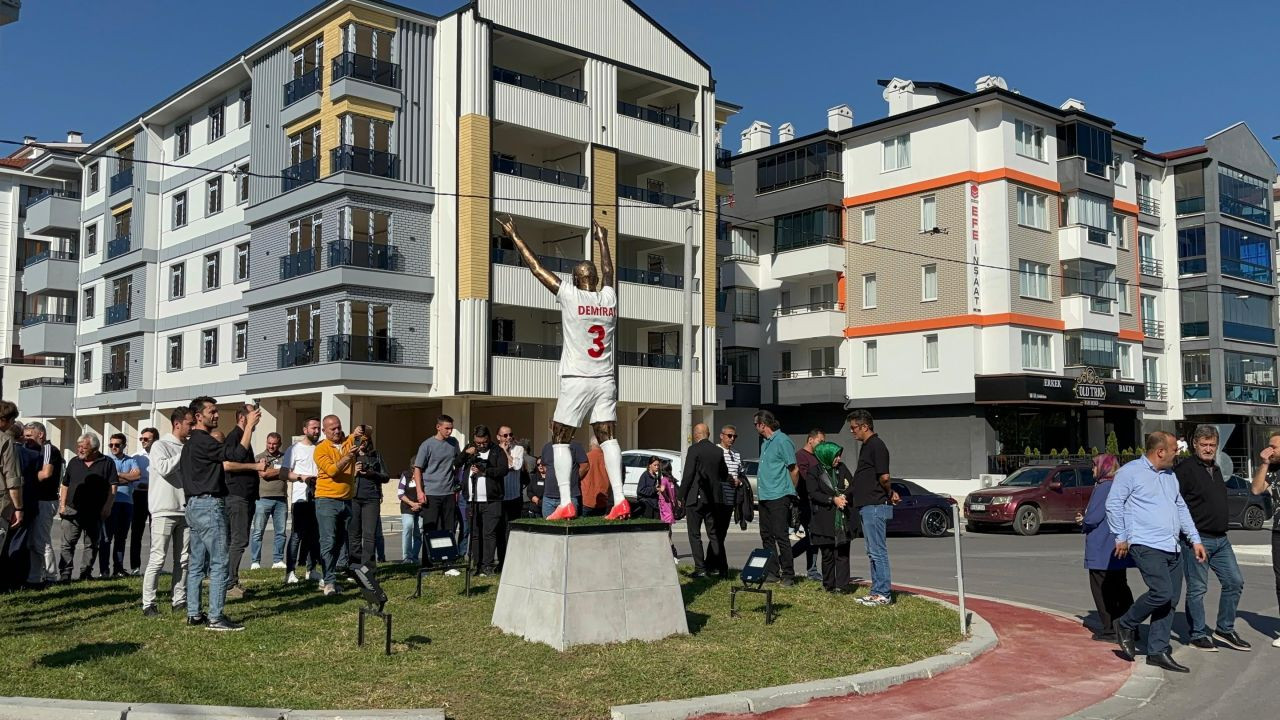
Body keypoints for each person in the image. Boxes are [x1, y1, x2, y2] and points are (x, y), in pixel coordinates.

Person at [497, 216, 629, 521]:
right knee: (607, 436)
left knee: (560, 437)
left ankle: (567, 501)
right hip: (606, 379)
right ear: (594, 280)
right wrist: (603, 240)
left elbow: (537, 270)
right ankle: (620, 499)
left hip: (578, 378)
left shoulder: (570, 295)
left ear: (573, 278)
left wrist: (515, 236)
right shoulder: (608, 298)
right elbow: (609, 271)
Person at [1107, 431, 1206, 672]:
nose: (1178, 452)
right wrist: (1120, 536)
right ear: (1160, 451)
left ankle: (1157, 651)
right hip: (1145, 544)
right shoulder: (1130, 472)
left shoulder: (1170, 475)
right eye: (1174, 448)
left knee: (1170, 600)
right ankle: (1126, 623)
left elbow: (1180, 507)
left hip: (1172, 545)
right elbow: (1113, 503)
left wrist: (1195, 539)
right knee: (1161, 592)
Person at [181, 396, 255, 631]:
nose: (216, 415)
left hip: (194, 505)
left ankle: (194, 613)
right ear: (198, 416)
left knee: (196, 564)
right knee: (219, 561)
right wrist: (249, 426)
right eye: (212, 411)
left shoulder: (193, 442)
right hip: (208, 506)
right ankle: (215, 617)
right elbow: (236, 455)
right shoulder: (203, 441)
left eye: (216, 411)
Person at [1174, 425, 1249, 652]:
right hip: (1197, 540)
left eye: (1212, 445)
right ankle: (1197, 633)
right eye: (1204, 444)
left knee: (1235, 582)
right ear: (1195, 444)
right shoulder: (1185, 469)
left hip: (1221, 539)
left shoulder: (1215, 469)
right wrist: (1189, 536)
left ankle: (1224, 629)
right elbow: (1176, 504)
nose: (1208, 449)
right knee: (1197, 589)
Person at [142, 407, 193, 617]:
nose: (192, 428)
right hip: (163, 509)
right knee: (158, 558)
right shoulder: (160, 445)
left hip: (185, 509)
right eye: (189, 423)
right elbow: (163, 468)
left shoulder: (189, 447)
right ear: (177, 423)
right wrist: (184, 454)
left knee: (183, 559)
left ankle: (179, 600)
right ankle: (148, 603)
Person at [1078, 454, 1134, 642]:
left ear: (1104, 468)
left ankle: (1110, 629)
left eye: (1095, 466)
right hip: (1118, 544)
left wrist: (1083, 522)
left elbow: (1094, 517)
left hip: (1102, 545)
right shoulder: (1120, 485)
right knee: (1120, 586)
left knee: (1103, 589)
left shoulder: (1104, 487)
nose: (1093, 470)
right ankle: (1130, 627)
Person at [848, 409, 896, 606]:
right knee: (872, 551)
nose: (852, 432)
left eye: (854, 428)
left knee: (878, 551)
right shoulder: (867, 446)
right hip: (868, 505)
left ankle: (883, 593)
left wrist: (889, 491)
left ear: (865, 426)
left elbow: (884, 476)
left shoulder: (877, 445)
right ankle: (876, 590)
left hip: (875, 505)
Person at [312, 416, 364, 594]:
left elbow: (367, 433)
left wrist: (359, 430)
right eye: (332, 429)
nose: (336, 431)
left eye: (338, 427)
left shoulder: (348, 441)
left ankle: (330, 575)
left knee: (340, 542)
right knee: (328, 541)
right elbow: (333, 470)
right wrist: (349, 456)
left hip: (346, 500)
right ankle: (329, 582)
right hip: (326, 500)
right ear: (324, 431)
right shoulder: (321, 449)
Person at [58, 434, 115, 581]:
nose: (80, 450)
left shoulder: (107, 463)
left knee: (91, 544)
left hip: (95, 511)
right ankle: (65, 574)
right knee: (67, 544)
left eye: (84, 447)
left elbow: (112, 487)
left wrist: (107, 507)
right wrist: (62, 505)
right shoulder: (74, 462)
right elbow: (65, 484)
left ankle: (85, 573)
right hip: (72, 510)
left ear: (95, 449)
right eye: (79, 447)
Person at [455, 425, 508, 576]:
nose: (481, 445)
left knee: (489, 533)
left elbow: (503, 470)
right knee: (475, 533)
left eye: (484, 442)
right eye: (478, 443)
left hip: (492, 500)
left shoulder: (497, 451)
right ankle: (476, 564)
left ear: (489, 439)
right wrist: (466, 453)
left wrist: (485, 471)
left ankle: (487, 566)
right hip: (472, 500)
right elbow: (457, 463)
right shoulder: (470, 448)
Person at [754, 410, 799, 586]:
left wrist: (791, 492)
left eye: (755, 424)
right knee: (766, 535)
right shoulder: (765, 443)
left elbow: (793, 469)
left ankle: (788, 574)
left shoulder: (783, 440)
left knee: (781, 535)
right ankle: (772, 571)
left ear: (762, 424)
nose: (755, 428)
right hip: (765, 496)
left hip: (779, 495)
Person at [679, 422, 729, 578]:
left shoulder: (694, 450)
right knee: (714, 534)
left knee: (695, 534)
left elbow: (688, 475)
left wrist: (681, 495)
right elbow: (724, 474)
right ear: (708, 434)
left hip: (696, 498)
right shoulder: (717, 451)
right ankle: (721, 568)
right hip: (713, 499)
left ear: (696, 434)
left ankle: (701, 569)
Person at [222, 406, 261, 598]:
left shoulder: (243, 437)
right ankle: (230, 584)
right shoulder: (234, 436)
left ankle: (230, 581)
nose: (257, 419)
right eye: (253, 416)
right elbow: (228, 463)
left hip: (246, 495)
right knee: (238, 540)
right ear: (242, 418)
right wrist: (255, 466)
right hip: (236, 496)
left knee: (237, 540)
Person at [806, 441, 854, 593]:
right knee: (827, 554)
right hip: (824, 519)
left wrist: (845, 496)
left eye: (839, 455)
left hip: (842, 519)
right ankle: (829, 585)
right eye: (835, 456)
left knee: (842, 553)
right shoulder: (814, 472)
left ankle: (843, 586)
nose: (838, 459)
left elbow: (852, 485)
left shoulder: (842, 468)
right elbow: (813, 493)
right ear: (825, 456)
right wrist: (832, 499)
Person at [414, 415, 461, 562]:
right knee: (430, 529)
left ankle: (449, 561)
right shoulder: (427, 445)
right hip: (431, 493)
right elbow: (417, 469)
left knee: (449, 529)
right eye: (446, 428)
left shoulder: (453, 443)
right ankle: (427, 563)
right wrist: (420, 492)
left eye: (451, 428)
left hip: (448, 492)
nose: (449, 431)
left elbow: (458, 462)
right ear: (438, 427)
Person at [1249, 430, 1280, 649]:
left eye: (1274, 447)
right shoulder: (1273, 469)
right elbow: (1256, 488)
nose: (1270, 450)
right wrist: (1265, 463)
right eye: (1269, 445)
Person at [283, 418, 322, 585]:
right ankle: (290, 571)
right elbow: (284, 473)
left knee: (315, 536)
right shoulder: (294, 449)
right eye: (313, 428)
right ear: (305, 429)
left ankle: (311, 569)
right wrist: (302, 477)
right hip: (300, 498)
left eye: (319, 428)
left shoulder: (321, 449)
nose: (316, 431)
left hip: (319, 497)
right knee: (297, 535)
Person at [24, 422, 62, 586]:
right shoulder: (34, 449)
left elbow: (46, 473)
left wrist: (24, 480)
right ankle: (34, 578)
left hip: (45, 500)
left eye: (29, 436)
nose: (27, 440)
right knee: (33, 542)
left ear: (41, 434)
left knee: (42, 541)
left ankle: (51, 576)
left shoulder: (48, 449)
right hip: (37, 499)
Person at [99, 433, 140, 578]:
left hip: (127, 503)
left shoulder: (131, 460)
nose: (114, 447)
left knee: (121, 537)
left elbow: (137, 476)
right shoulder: (105, 460)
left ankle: (119, 568)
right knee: (106, 538)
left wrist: (116, 475)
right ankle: (104, 570)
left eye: (117, 445)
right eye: (111, 445)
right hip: (111, 502)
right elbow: (106, 480)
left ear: (123, 445)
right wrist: (125, 478)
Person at [349, 426, 388, 569]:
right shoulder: (349, 456)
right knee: (354, 533)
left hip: (371, 497)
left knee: (370, 534)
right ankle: (354, 565)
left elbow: (386, 477)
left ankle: (369, 567)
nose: (363, 443)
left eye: (365, 440)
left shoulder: (375, 455)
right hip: (353, 497)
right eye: (360, 440)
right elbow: (339, 475)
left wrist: (372, 474)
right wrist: (354, 472)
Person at [249, 432, 287, 571]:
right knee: (258, 531)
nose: (271, 446)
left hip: (281, 498)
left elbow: (288, 472)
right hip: (262, 498)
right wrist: (280, 471)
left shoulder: (285, 458)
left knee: (281, 532)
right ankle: (255, 561)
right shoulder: (259, 457)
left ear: (280, 443)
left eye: (274, 443)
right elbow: (263, 474)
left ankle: (278, 560)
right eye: (269, 443)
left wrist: (273, 471)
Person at [793, 429, 825, 582]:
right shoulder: (801, 456)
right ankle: (810, 570)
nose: (822, 444)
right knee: (812, 537)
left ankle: (811, 570)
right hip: (806, 502)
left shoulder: (817, 457)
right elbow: (805, 478)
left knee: (815, 537)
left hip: (817, 503)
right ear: (810, 440)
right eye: (820, 441)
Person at [715, 425, 745, 575]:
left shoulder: (736, 454)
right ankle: (720, 566)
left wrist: (738, 480)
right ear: (722, 436)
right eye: (729, 435)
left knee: (722, 532)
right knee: (717, 532)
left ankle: (711, 563)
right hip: (718, 497)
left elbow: (740, 473)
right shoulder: (716, 451)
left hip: (731, 497)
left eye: (734, 436)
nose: (732, 439)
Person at [128, 427, 158, 576]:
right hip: (139, 496)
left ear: (155, 440)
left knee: (156, 533)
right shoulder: (136, 457)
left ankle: (155, 567)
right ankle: (135, 567)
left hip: (155, 496)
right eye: (141, 439)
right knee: (136, 532)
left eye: (147, 439)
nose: (143, 442)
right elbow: (133, 477)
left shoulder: (159, 455)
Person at [496, 428, 527, 566]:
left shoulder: (518, 449)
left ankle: (513, 561)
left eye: (510, 434)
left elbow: (516, 465)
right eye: (505, 435)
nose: (508, 437)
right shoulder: (494, 450)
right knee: (500, 530)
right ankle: (502, 561)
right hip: (500, 496)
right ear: (499, 437)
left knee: (513, 530)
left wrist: (505, 452)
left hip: (514, 496)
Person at [541, 437, 588, 518]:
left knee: (568, 527)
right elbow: (544, 465)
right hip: (548, 497)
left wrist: (574, 479)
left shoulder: (575, 446)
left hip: (570, 496)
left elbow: (585, 466)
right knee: (548, 527)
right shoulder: (547, 447)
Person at [0, 402, 23, 559]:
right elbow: (12, 478)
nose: (13, 424)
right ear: (4, 419)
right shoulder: (6, 440)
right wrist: (19, 508)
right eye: (13, 420)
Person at [398, 457, 423, 564]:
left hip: (421, 507)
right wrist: (412, 504)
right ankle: (407, 557)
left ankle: (414, 556)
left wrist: (419, 505)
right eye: (413, 468)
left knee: (419, 531)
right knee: (408, 526)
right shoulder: (405, 475)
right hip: (407, 506)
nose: (415, 471)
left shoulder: (425, 476)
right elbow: (400, 493)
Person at [580, 436, 611, 517]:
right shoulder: (608, 458)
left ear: (591, 444)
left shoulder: (586, 457)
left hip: (587, 499)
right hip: (604, 499)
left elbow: (578, 475)